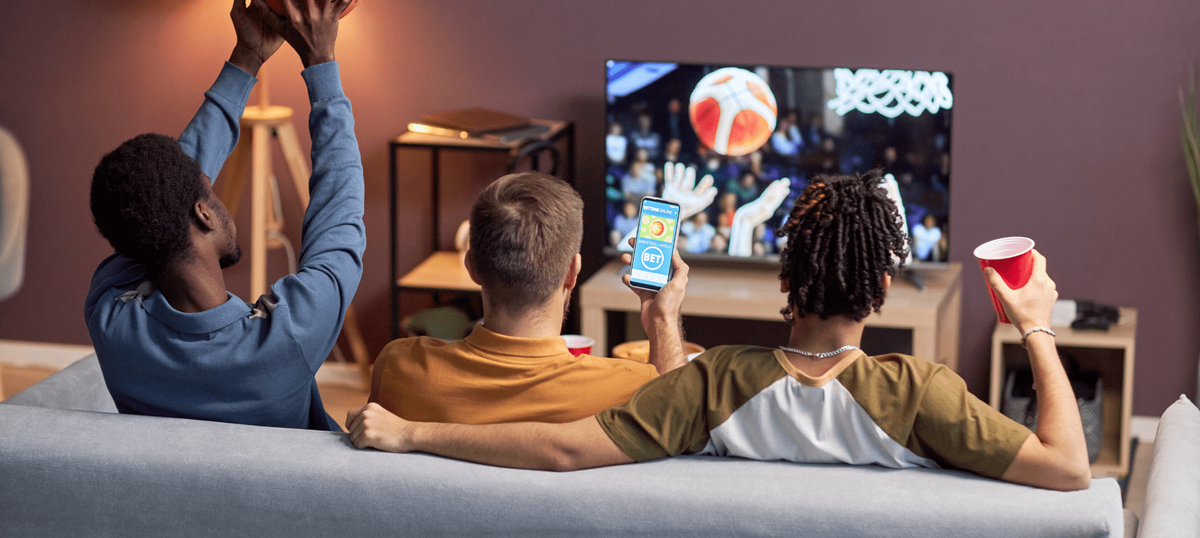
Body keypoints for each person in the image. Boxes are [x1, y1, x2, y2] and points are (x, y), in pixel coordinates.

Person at [347, 170, 1092, 491]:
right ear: (885, 292)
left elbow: (567, 445)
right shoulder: (922, 391)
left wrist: (412, 432)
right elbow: (1068, 467)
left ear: (782, 280)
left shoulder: (713, 381)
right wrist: (1037, 328)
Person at [86, 0, 363, 431]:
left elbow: (169, 190)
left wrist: (249, 57)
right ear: (204, 212)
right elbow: (338, 217)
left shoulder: (110, 317)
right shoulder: (291, 339)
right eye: (207, 189)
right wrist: (320, 62)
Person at [369, 172, 688, 425]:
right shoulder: (629, 389)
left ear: (472, 267)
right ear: (572, 273)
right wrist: (662, 318)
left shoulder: (399, 366)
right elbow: (680, 423)